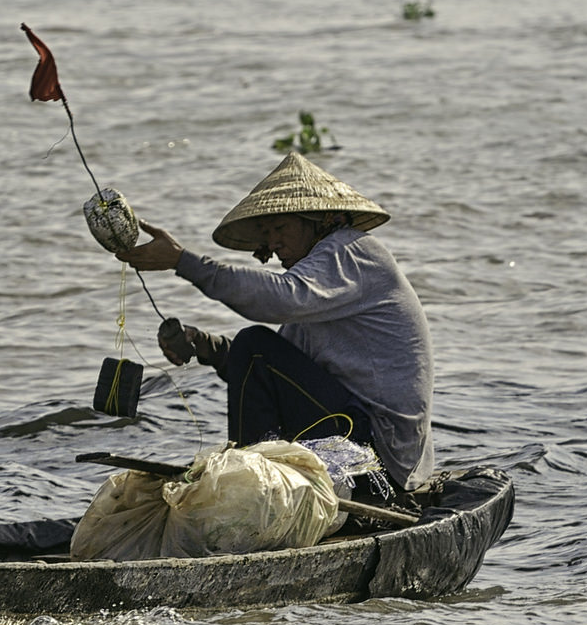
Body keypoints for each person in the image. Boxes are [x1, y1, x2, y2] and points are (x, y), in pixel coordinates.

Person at [114, 153, 433, 495]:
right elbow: (276, 374)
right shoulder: (319, 284)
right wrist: (208, 347)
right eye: (267, 233)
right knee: (253, 351)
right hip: (357, 445)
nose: (273, 243)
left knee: (255, 345)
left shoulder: (349, 252)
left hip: (379, 460)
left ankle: (249, 490)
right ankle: (257, 483)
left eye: (281, 228)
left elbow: (277, 302)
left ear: (316, 220)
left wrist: (182, 261)